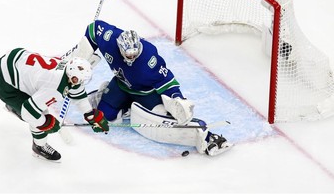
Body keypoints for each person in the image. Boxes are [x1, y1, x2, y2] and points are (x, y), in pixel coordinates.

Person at [76, 20, 232, 156]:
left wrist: (178, 99)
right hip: (121, 85)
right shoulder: (110, 39)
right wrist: (81, 59)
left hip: (145, 93)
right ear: (120, 47)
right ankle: (118, 101)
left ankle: (207, 137)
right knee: (106, 116)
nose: (130, 58)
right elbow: (93, 29)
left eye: (133, 55)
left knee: (162, 116)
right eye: (127, 55)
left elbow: (167, 81)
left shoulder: (149, 59)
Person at [0, 48, 109, 162]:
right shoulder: (55, 87)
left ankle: (16, 106)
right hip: (4, 80)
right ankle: (39, 147)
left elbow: (77, 91)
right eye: (77, 80)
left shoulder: (68, 67)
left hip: (16, 58)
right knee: (39, 113)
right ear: (71, 76)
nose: (79, 83)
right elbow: (29, 112)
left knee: (37, 103)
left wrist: (89, 114)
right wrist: (47, 123)